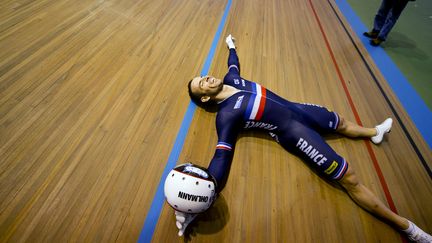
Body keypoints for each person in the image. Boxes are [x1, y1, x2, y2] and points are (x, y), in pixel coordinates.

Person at [174, 34, 432, 242]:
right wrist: (202, 194)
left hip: (299, 109)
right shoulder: (227, 115)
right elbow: (222, 154)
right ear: (205, 98)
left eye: (203, 75)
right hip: (296, 134)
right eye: (202, 84)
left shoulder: (232, 78)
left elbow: (233, 64)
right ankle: (408, 228)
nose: (207, 77)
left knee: (340, 122)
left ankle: (374, 133)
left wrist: (231, 46)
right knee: (349, 178)